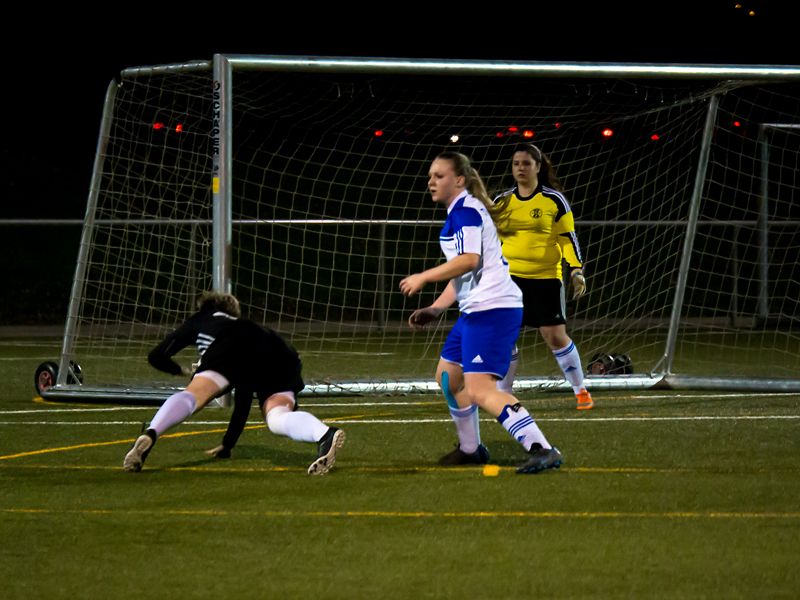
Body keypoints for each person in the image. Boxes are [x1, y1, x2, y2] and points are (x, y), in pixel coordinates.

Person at [400, 151, 562, 474]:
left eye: (439, 176)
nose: (431, 182)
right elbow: (464, 276)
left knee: (480, 390)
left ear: (459, 180)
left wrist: (423, 276)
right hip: (476, 310)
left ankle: (543, 448)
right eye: (430, 176)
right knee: (448, 378)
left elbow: (469, 260)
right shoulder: (459, 211)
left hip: (494, 310)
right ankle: (471, 450)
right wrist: (435, 308)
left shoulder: (465, 213)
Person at [123, 292, 345, 475]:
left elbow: (156, 356)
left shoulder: (203, 320)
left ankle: (152, 432)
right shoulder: (245, 325)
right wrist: (228, 444)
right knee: (276, 417)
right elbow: (245, 392)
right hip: (278, 348)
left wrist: (184, 372)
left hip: (230, 348)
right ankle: (324, 434)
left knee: (193, 397)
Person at [493, 144, 592, 410]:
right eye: (516, 164)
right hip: (509, 279)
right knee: (504, 336)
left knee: (554, 335)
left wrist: (576, 270)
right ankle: (503, 395)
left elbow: (567, 238)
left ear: (538, 167)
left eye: (526, 163)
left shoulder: (554, 200)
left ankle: (580, 390)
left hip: (545, 278)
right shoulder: (502, 201)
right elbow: (488, 240)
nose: (520, 168)